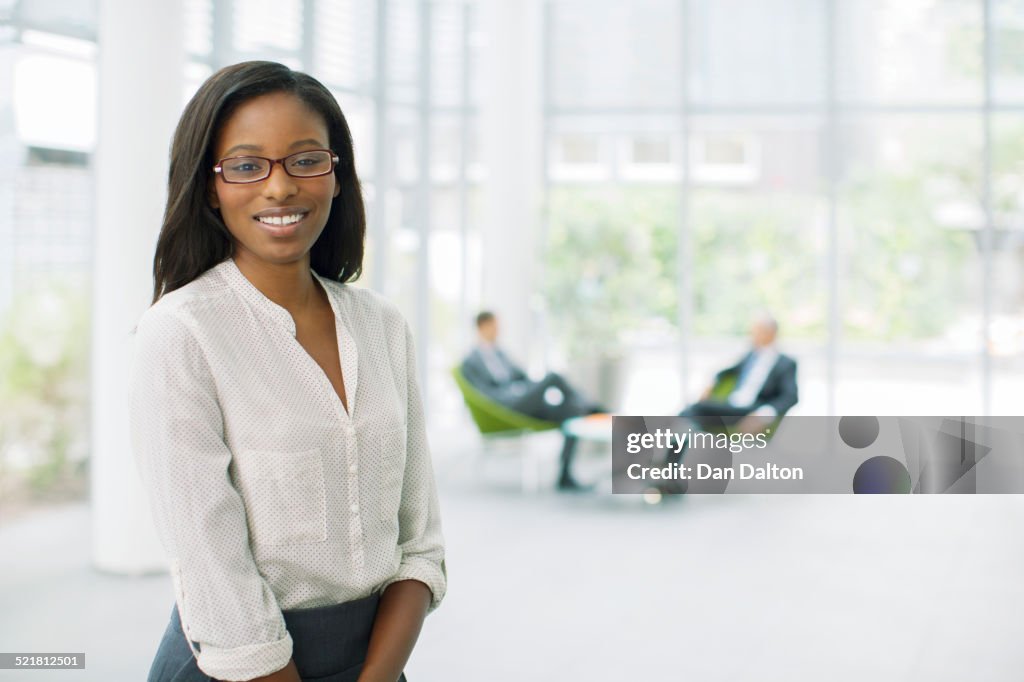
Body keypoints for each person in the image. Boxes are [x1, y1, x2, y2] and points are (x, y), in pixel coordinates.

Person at [131, 61, 445, 682]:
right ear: (210, 186)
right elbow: (211, 569)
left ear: (336, 174)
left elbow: (420, 547)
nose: (279, 188)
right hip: (240, 667)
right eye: (247, 166)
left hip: (376, 664)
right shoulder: (182, 332)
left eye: (305, 160)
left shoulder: (382, 326)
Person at [460, 311, 602, 491]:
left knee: (571, 410)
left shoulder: (500, 353)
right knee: (554, 377)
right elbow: (484, 395)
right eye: (494, 326)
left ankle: (565, 475)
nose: (498, 330)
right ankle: (593, 407)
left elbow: (522, 377)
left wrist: (531, 390)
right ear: (482, 327)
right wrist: (519, 392)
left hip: (523, 400)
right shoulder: (471, 361)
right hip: (505, 406)